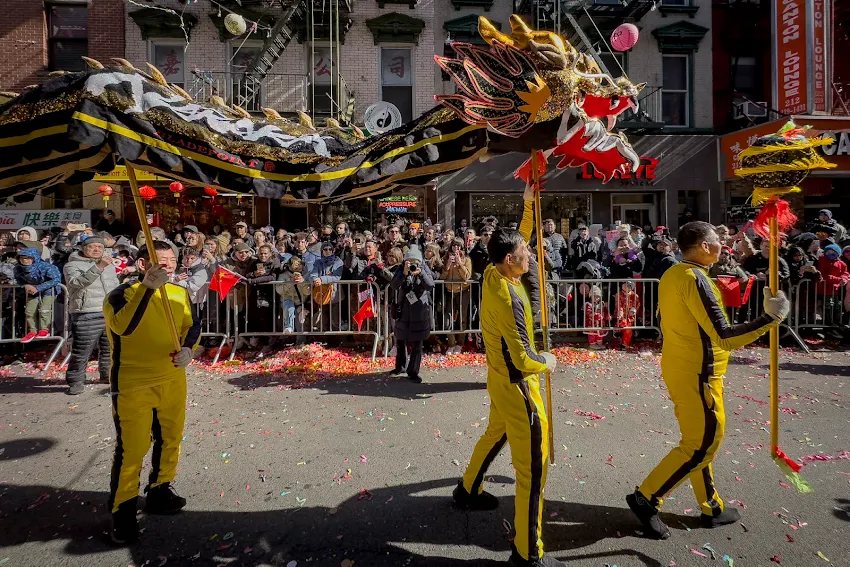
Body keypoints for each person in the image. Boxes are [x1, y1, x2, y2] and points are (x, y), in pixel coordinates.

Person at [626, 221, 789, 540]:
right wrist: (771, 318)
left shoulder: (673, 273)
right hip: (698, 372)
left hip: (681, 367)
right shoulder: (694, 278)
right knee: (702, 444)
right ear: (703, 246)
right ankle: (646, 497)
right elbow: (724, 336)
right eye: (717, 240)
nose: (723, 244)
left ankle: (711, 505)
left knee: (698, 441)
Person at [453, 227, 560, 567]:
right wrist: (549, 360)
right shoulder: (509, 297)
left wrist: (529, 202)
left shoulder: (491, 271)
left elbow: (518, 237)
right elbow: (524, 359)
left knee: (495, 434)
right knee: (533, 470)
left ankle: (468, 489)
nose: (531, 255)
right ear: (510, 260)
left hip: (499, 380)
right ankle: (528, 552)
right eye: (526, 252)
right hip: (518, 387)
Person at [104, 241, 200, 545]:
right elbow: (124, 327)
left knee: (170, 438)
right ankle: (123, 511)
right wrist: (146, 288)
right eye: (161, 260)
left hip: (172, 378)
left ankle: (160, 489)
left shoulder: (180, 292)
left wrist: (189, 349)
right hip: (134, 383)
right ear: (144, 264)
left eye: (172, 259)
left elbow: (192, 326)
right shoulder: (121, 294)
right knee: (132, 449)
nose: (169, 265)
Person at [63, 236, 121, 394]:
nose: (96, 250)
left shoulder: (110, 265)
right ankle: (75, 381)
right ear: (83, 248)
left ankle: (106, 374)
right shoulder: (72, 265)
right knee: (82, 350)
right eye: (92, 247)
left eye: (100, 247)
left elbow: (114, 284)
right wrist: (98, 267)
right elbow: (75, 283)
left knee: (109, 348)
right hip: (86, 312)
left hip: (109, 311)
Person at [389, 246, 434, 383]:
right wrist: (404, 272)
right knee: (401, 339)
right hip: (404, 309)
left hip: (419, 310)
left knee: (417, 342)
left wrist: (421, 273)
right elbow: (394, 285)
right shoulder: (402, 268)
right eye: (410, 261)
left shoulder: (424, 267)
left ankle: (413, 371)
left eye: (415, 261)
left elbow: (430, 285)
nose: (413, 264)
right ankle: (400, 366)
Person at [14, 247, 61, 343]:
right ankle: (32, 331)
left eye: (28, 258)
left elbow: (56, 279)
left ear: (34, 258)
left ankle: (44, 329)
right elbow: (18, 280)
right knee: (29, 311)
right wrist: (25, 285)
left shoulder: (46, 267)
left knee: (44, 309)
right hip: (32, 291)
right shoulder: (18, 268)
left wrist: (38, 288)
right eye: (22, 258)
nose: (24, 260)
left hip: (48, 290)